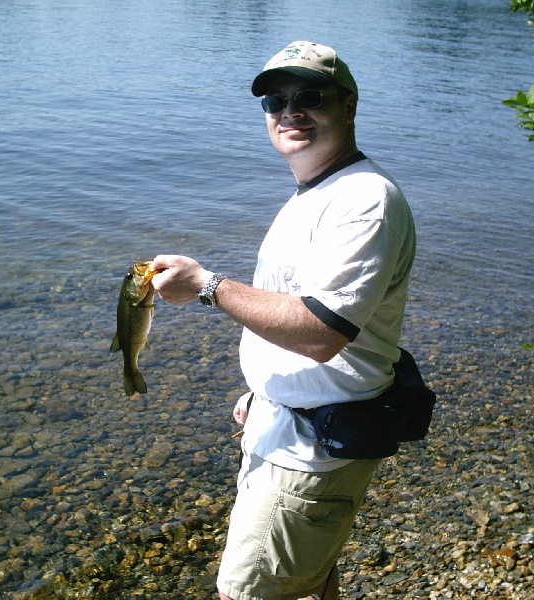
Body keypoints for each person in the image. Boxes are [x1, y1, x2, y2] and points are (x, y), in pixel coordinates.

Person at [150, 40, 416, 600]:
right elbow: (297, 307)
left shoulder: (363, 200)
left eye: (309, 96)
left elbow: (322, 331)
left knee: (243, 593)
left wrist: (207, 286)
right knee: (312, 578)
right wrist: (265, 390)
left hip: (309, 449)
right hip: (286, 424)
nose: (288, 111)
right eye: (274, 101)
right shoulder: (317, 192)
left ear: (349, 105)